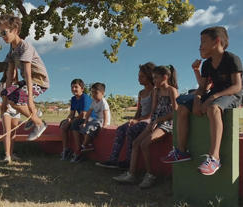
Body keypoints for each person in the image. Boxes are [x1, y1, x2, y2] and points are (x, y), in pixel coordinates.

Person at [162, 26, 243, 176]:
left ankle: (214, 158)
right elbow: (201, 88)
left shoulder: (231, 58)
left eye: (203, 41)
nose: (200, 46)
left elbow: (237, 86)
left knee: (213, 108)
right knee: (183, 107)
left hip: (232, 94)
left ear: (217, 41)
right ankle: (181, 151)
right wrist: (198, 99)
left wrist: (212, 98)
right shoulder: (206, 64)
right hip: (214, 94)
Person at [114, 65, 179, 189]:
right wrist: (152, 123)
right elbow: (154, 109)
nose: (153, 80)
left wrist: (159, 120)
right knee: (136, 143)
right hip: (155, 122)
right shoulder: (156, 91)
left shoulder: (172, 90)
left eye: (156, 78)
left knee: (144, 144)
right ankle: (131, 174)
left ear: (165, 78)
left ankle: (150, 176)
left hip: (167, 123)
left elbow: (176, 112)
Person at [0, 14, 49, 141]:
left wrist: (30, 101)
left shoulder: (25, 48)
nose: (2, 36)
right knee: (7, 95)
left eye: (4, 32)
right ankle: (35, 114)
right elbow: (9, 76)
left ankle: (39, 123)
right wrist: (4, 99)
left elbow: (28, 74)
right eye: (0, 33)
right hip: (27, 81)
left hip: (39, 81)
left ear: (15, 31)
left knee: (16, 99)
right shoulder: (11, 52)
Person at [95, 62, 155, 169]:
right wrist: (134, 119)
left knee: (130, 131)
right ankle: (113, 159)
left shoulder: (154, 91)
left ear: (150, 76)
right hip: (141, 119)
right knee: (121, 129)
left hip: (150, 121)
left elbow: (153, 111)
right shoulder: (141, 93)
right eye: (138, 76)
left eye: (142, 76)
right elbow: (139, 110)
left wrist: (139, 120)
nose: (139, 79)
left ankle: (129, 161)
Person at [71, 82, 111, 163]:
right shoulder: (93, 101)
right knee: (83, 127)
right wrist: (85, 122)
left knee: (90, 128)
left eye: (96, 93)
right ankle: (89, 144)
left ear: (102, 93)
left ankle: (83, 146)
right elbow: (89, 112)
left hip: (102, 121)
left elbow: (105, 114)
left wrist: (105, 124)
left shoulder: (103, 102)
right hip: (96, 120)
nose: (93, 94)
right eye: (92, 92)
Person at [59, 79, 97, 161]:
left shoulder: (85, 98)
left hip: (90, 119)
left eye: (76, 87)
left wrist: (69, 123)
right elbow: (72, 113)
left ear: (82, 89)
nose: (73, 89)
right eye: (72, 87)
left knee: (74, 125)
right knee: (63, 124)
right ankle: (66, 150)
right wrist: (67, 120)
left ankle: (78, 151)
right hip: (82, 118)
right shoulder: (73, 99)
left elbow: (83, 114)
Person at [0, 69, 21, 163]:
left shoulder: (19, 84)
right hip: (6, 112)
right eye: (9, 72)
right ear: (5, 72)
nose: (11, 74)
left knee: (13, 134)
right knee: (7, 132)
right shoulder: (1, 84)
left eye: (14, 72)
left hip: (17, 112)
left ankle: (11, 154)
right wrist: (2, 106)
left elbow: (22, 98)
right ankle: (7, 155)